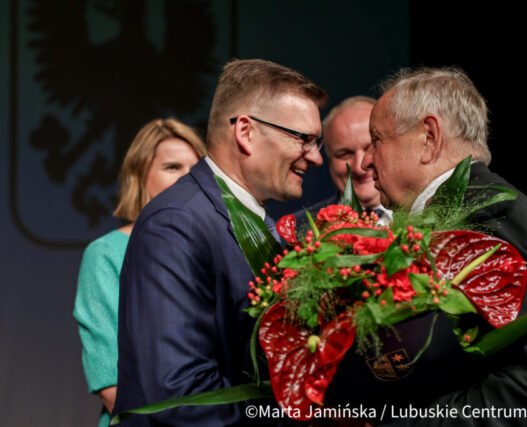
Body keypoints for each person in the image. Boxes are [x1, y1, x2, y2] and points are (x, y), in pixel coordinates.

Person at [330, 67, 527, 426]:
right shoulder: (469, 213)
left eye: (377, 140)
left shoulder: (491, 217)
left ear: (429, 137)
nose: (365, 161)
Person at [114, 59, 327, 426]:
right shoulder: (176, 222)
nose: (317, 157)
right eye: (303, 138)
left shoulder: (260, 224)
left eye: (317, 142)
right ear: (245, 131)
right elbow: (180, 394)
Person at [73, 118, 206, 427]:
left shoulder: (217, 250)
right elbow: (112, 387)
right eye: (172, 167)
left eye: (197, 169)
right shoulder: (106, 254)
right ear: (139, 176)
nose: (189, 179)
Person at [295, 96, 391, 225]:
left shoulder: (419, 216)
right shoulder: (294, 230)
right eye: (345, 154)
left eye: (370, 148)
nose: (359, 168)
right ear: (329, 161)